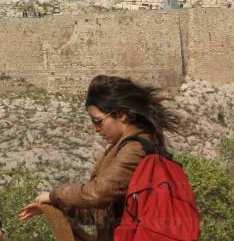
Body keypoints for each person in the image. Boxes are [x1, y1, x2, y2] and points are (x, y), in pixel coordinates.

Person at [19, 75, 180, 241]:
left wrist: (54, 195)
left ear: (122, 115)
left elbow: (98, 193)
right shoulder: (123, 148)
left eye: (98, 121)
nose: (96, 129)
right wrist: (51, 207)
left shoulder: (135, 149)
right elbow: (98, 212)